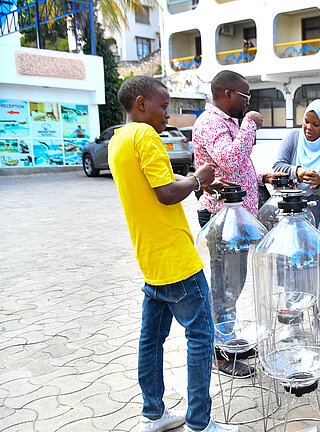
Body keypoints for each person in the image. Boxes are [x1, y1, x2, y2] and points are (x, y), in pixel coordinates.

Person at [108, 76, 237, 432]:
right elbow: (165, 193)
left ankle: (153, 414)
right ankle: (200, 422)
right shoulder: (145, 136)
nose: (168, 114)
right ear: (140, 103)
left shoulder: (119, 140)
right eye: (163, 106)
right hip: (177, 259)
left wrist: (197, 179)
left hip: (150, 260)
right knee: (201, 336)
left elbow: (155, 185)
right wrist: (198, 179)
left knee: (151, 340)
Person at [193, 70, 283, 378]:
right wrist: (249, 126)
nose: (248, 103)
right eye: (245, 97)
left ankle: (227, 339)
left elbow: (235, 169)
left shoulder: (227, 123)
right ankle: (218, 353)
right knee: (224, 287)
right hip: (222, 217)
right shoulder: (211, 123)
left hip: (238, 217)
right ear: (228, 94)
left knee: (233, 284)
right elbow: (229, 160)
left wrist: (262, 179)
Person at [273, 99, 320, 224]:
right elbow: (278, 166)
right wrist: (297, 171)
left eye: (316, 124)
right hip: (290, 208)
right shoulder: (294, 138)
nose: (308, 128)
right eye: (306, 122)